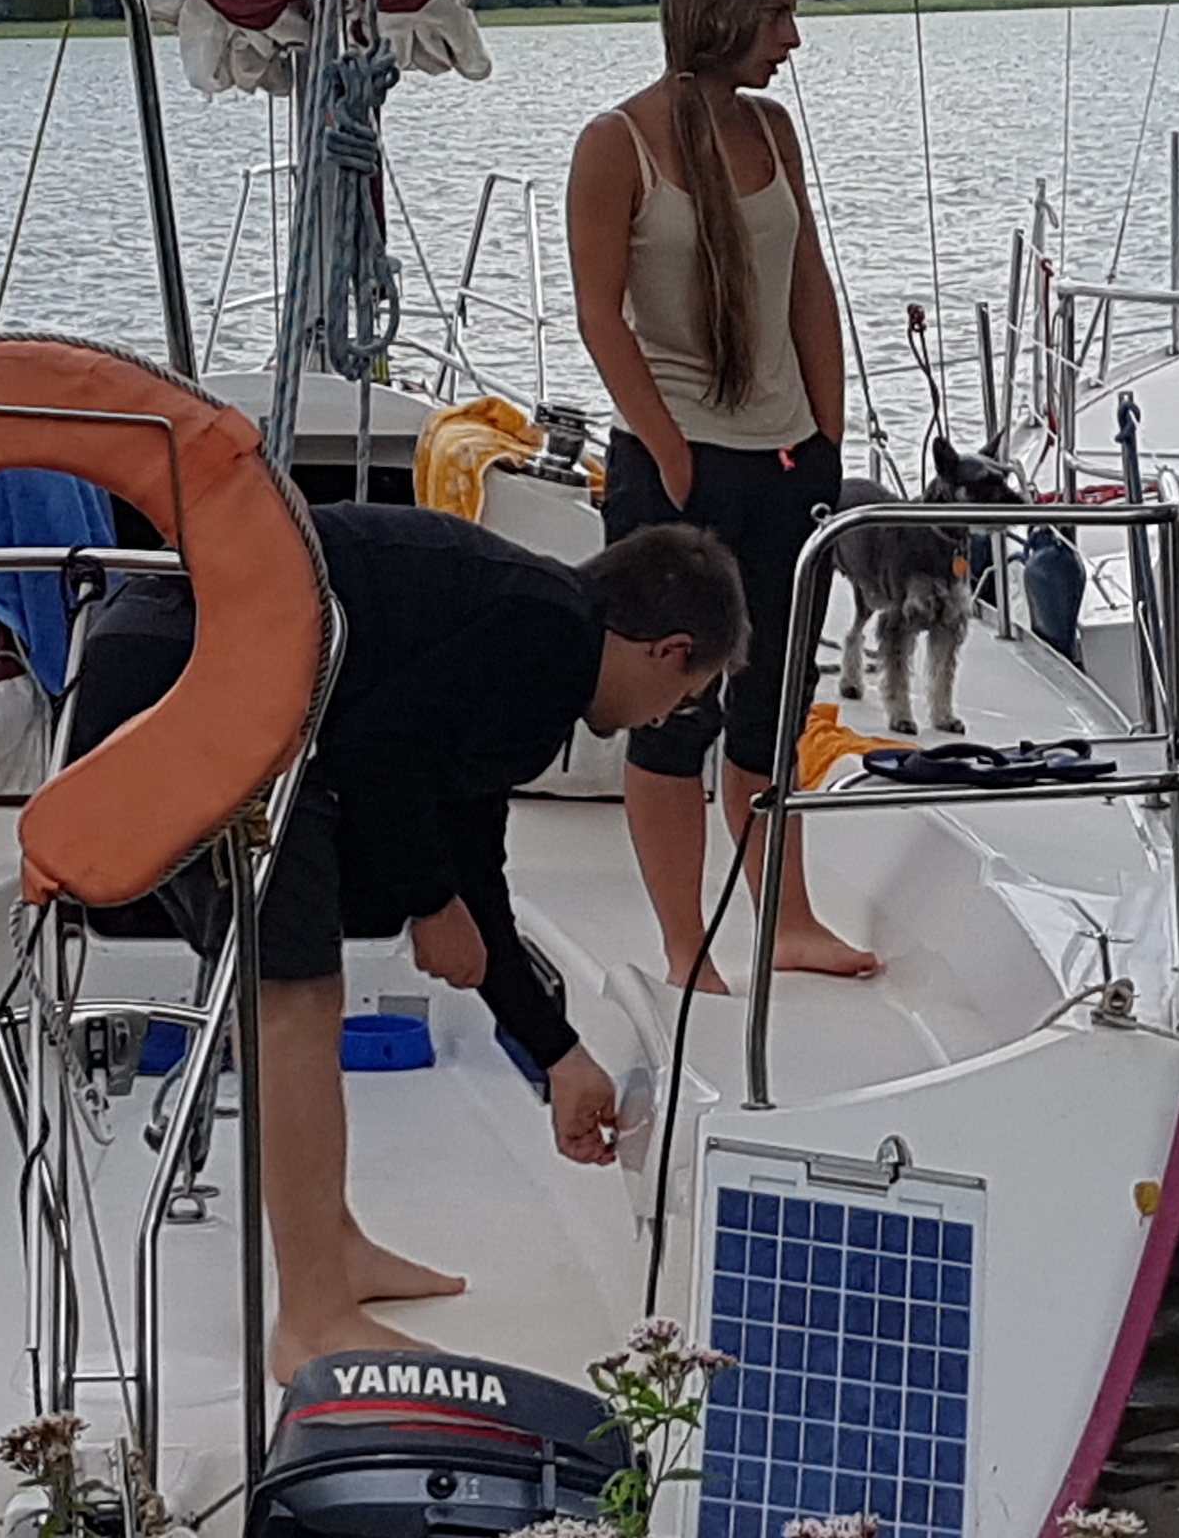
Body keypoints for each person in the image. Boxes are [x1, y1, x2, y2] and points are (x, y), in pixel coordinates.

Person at [150, 507, 746, 1368]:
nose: (662, 722)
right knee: (294, 996)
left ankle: (334, 1251)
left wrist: (555, 1050)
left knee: (305, 972)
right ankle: (312, 1317)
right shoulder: (543, 640)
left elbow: (472, 860)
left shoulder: (538, 634)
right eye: (683, 698)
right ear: (668, 651)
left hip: (208, 671)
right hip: (189, 678)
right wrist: (429, 903)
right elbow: (376, 754)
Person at [566, 0, 879, 990]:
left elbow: (808, 287)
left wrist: (828, 433)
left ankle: (785, 920)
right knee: (674, 715)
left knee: (772, 711)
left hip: (787, 460)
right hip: (679, 469)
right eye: (778, 14)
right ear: (721, 15)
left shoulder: (773, 131)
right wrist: (668, 453)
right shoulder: (617, 143)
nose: (792, 38)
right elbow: (600, 316)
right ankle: (682, 939)